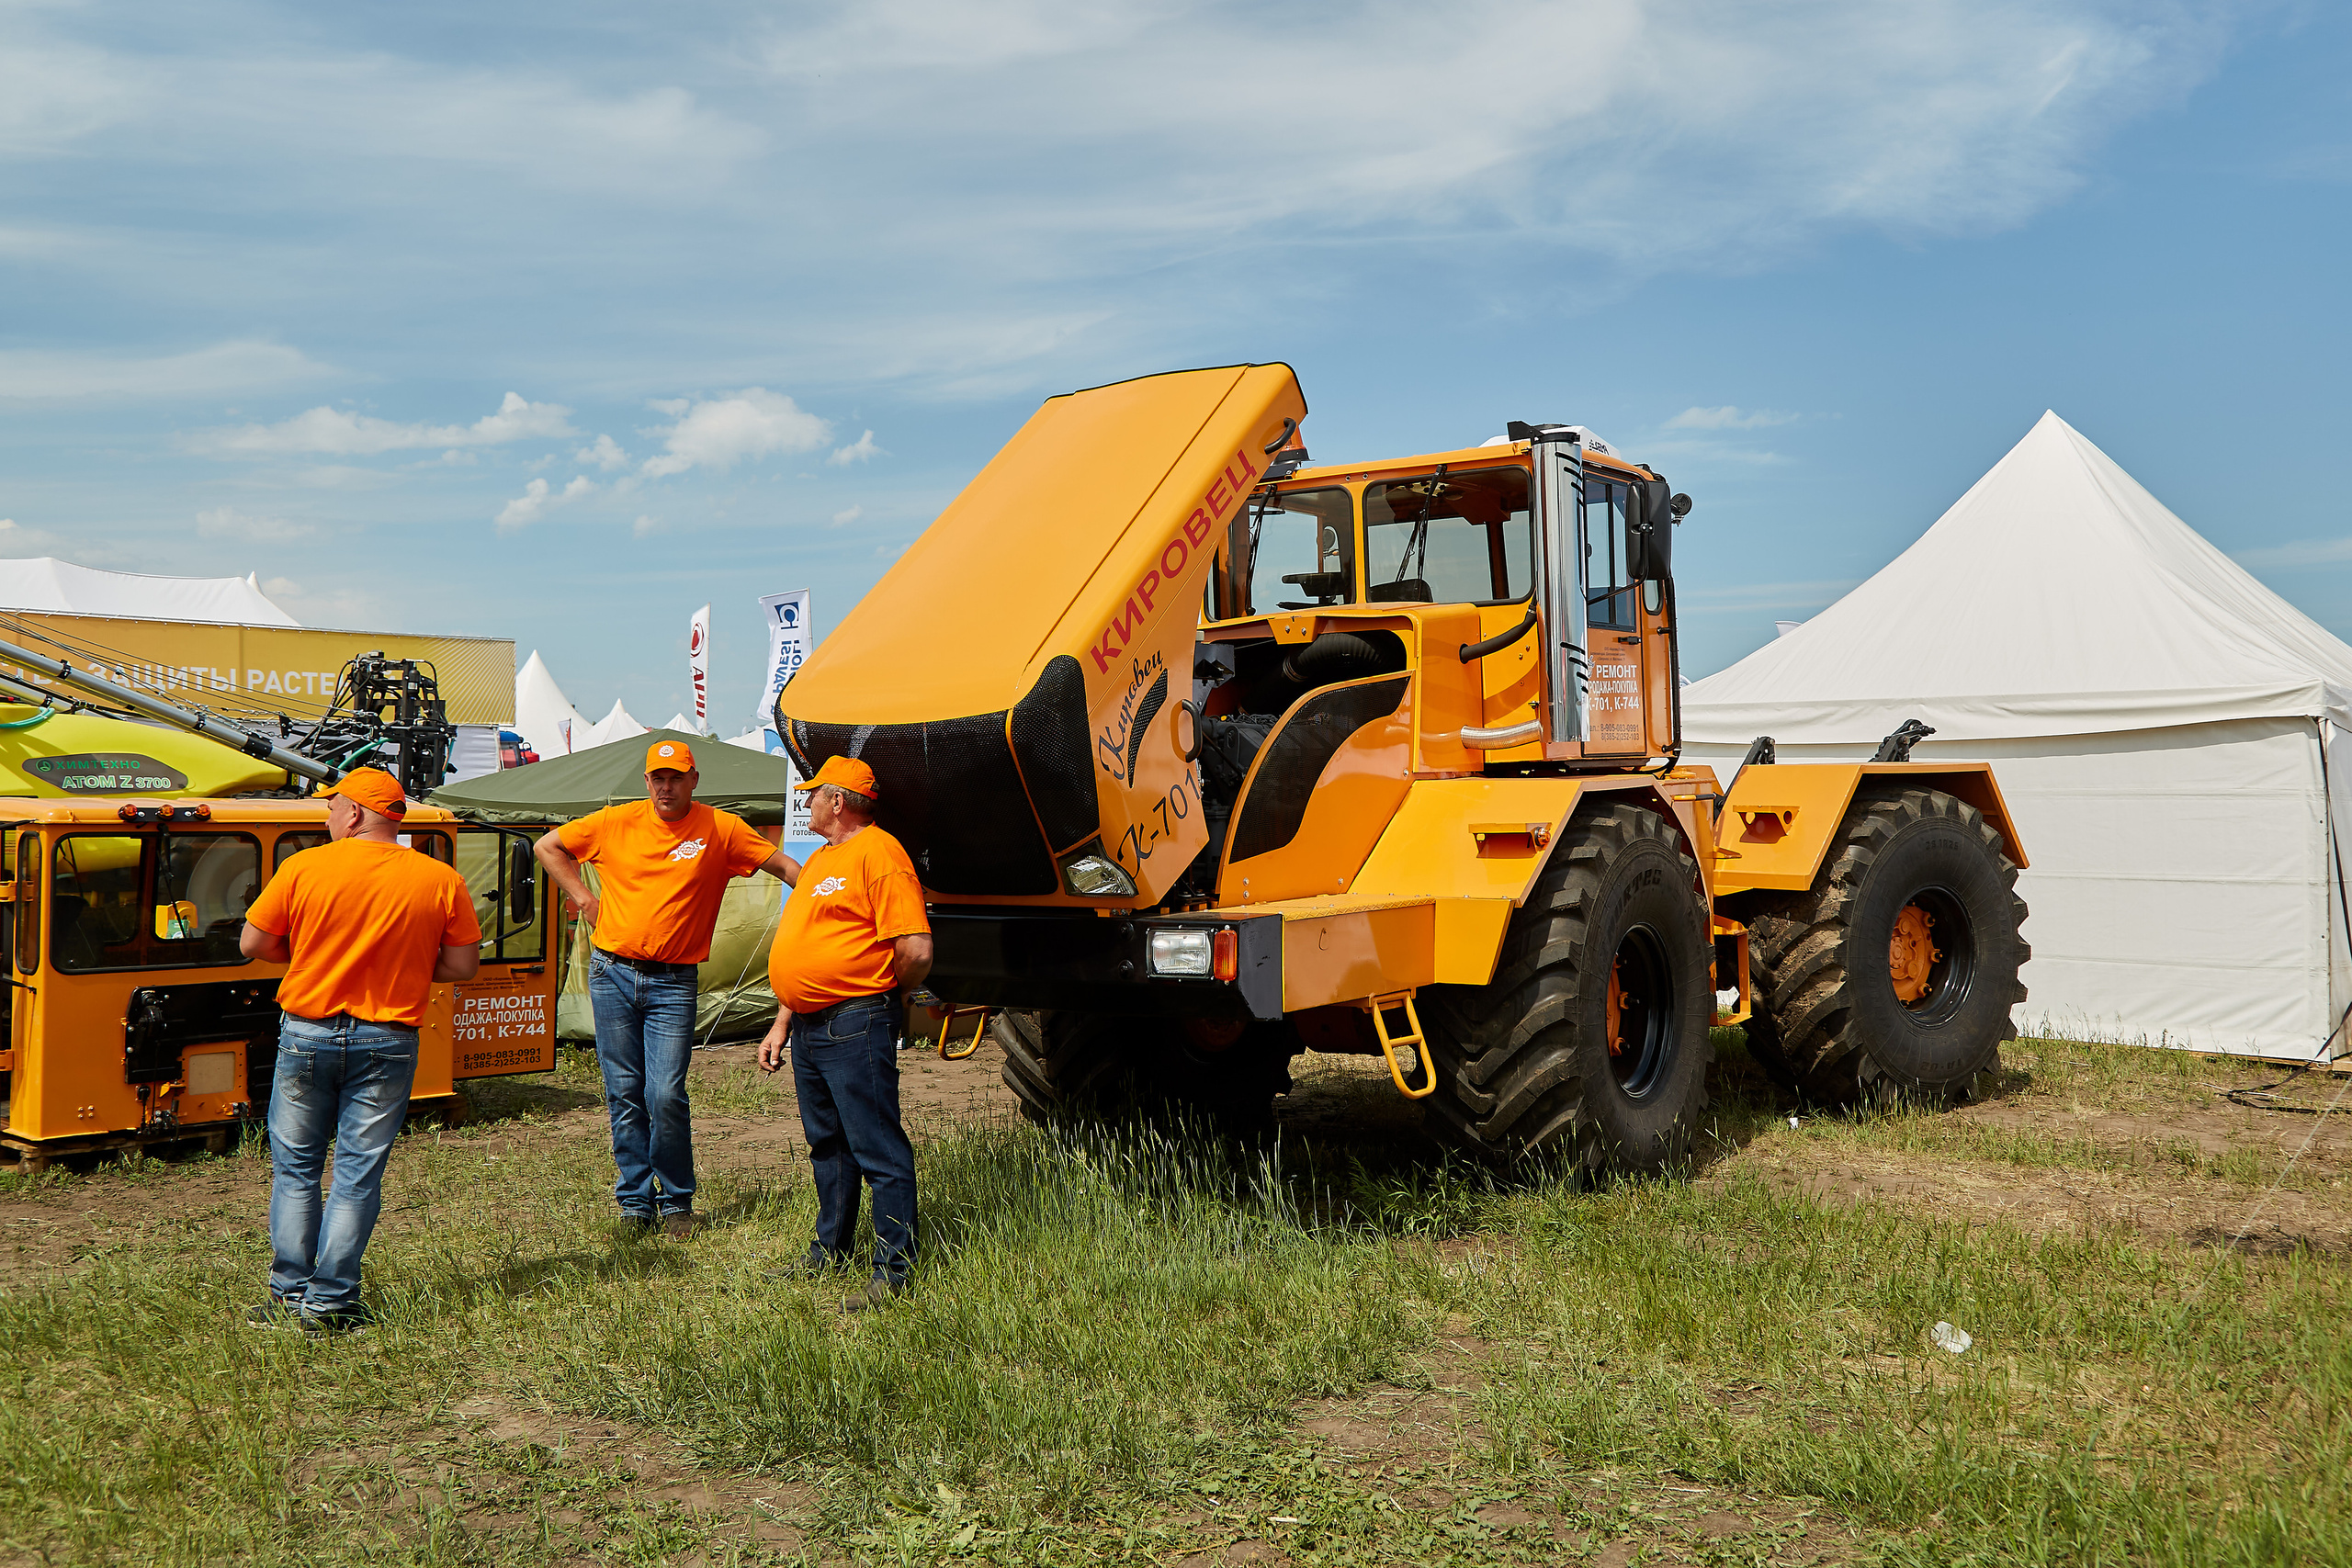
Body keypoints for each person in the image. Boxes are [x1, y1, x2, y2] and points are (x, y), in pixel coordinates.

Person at [240, 766, 481, 1335]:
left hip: (307, 1034)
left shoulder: (302, 867)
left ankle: (287, 1293)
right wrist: (407, 964)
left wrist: (311, 956)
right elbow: (462, 966)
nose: (325, 817)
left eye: (331, 808)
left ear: (353, 814)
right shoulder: (438, 877)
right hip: (388, 1040)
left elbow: (254, 943)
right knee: (356, 1175)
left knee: (296, 1170)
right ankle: (328, 1304)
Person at [537, 739, 798, 1238]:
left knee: (665, 1094)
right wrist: (585, 900)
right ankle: (636, 1200)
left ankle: (677, 1201)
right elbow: (549, 847)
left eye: (676, 777)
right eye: (658, 777)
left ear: (694, 780)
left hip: (674, 982)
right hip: (611, 973)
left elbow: (786, 869)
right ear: (647, 782)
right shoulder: (615, 822)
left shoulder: (721, 828)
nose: (666, 786)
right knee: (624, 1091)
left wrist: (829, 899)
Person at [757, 755, 932, 1311]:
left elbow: (915, 949)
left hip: (855, 1020)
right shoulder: (822, 860)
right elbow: (805, 948)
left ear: (838, 801)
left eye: (812, 795)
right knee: (828, 1145)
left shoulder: (880, 853)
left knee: (875, 1145)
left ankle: (893, 1271)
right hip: (809, 1025)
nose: (805, 802)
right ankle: (829, 1250)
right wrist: (782, 1024)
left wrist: (881, 995)